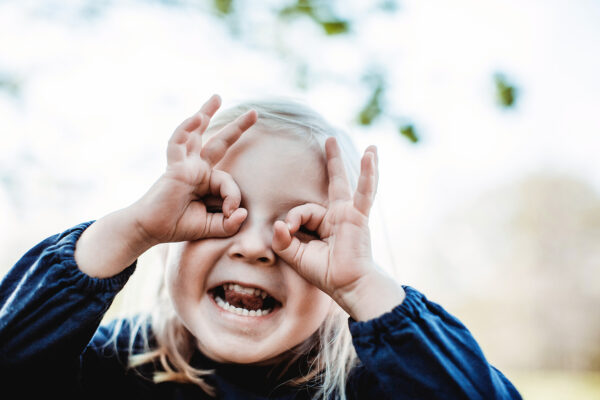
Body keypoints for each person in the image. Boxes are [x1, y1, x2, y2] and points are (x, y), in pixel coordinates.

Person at [0, 94, 521, 399]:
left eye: (306, 230)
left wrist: (366, 288)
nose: (256, 247)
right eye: (216, 209)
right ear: (168, 243)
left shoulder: (374, 383)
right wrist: (129, 230)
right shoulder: (116, 363)